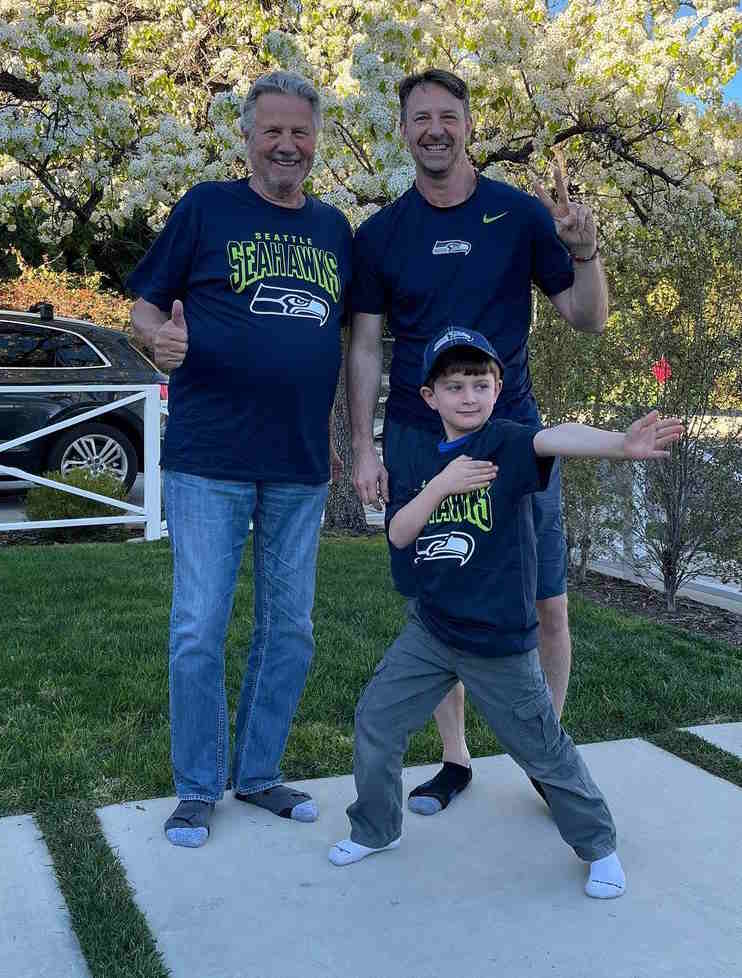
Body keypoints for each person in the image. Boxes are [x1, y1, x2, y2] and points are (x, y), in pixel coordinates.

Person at [330, 327, 683, 898]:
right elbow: (398, 533)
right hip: (432, 630)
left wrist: (621, 443)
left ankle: (599, 846)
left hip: (498, 642)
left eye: (480, 384)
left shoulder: (508, 443)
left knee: (542, 747)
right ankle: (375, 828)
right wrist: (442, 485)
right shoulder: (419, 455)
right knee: (376, 719)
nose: (468, 396)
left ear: (498, 389)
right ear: (430, 397)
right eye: (454, 385)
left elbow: (554, 438)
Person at [349, 67, 608, 814]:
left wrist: (587, 251)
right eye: (419, 117)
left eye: (447, 116)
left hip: (513, 441)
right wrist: (365, 448)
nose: (434, 128)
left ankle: (544, 762)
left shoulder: (521, 215)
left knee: (548, 604)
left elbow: (587, 318)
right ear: (402, 130)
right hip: (415, 440)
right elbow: (365, 347)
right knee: (439, 607)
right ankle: (455, 758)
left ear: (469, 126)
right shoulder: (381, 236)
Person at [128, 70, 352, 847]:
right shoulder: (205, 207)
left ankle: (257, 774)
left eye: (300, 132)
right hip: (209, 460)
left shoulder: (334, 229)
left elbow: (352, 334)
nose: (286, 145)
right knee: (199, 626)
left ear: (315, 139)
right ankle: (196, 786)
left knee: (290, 630)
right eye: (272, 131)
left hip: (298, 463)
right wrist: (156, 340)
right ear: (249, 138)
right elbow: (145, 305)